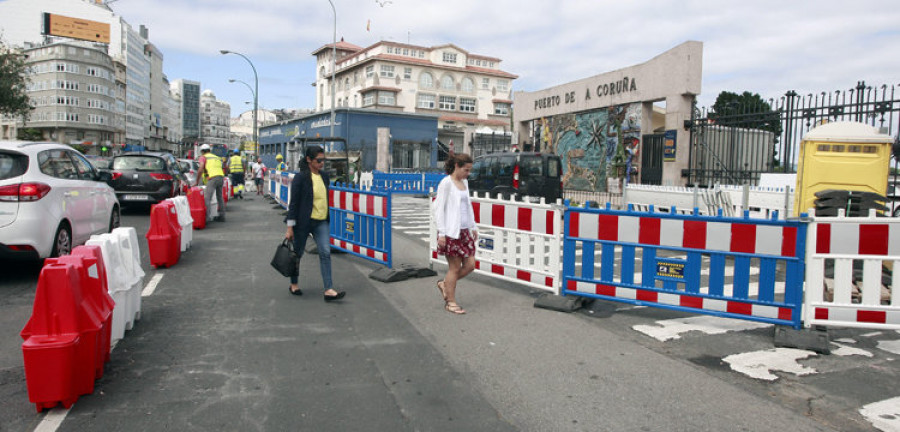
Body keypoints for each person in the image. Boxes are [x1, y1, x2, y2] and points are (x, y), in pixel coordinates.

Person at [284, 145, 345, 302]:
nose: (322, 163)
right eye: (319, 160)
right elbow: (294, 203)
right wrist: (290, 227)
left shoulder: (324, 177)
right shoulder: (301, 178)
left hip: (321, 221)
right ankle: (294, 284)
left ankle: (329, 289)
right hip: (304, 222)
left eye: (323, 160)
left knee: (325, 252)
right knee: (297, 254)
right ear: (309, 160)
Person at [433, 152, 477, 315]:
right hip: (452, 232)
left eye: (469, 170)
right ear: (457, 166)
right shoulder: (446, 183)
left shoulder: (464, 182)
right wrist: (442, 233)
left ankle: (445, 285)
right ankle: (450, 302)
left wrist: (473, 227)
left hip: (465, 231)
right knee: (454, 267)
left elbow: (468, 206)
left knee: (470, 265)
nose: (468, 173)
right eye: (466, 170)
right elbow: (438, 208)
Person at [194, 144, 226, 222]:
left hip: (213, 178)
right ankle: (222, 216)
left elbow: (200, 169)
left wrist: (197, 182)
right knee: (219, 197)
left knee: (207, 198)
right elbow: (223, 167)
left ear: (202, 151)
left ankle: (206, 218)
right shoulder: (216, 157)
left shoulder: (203, 157)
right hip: (221, 177)